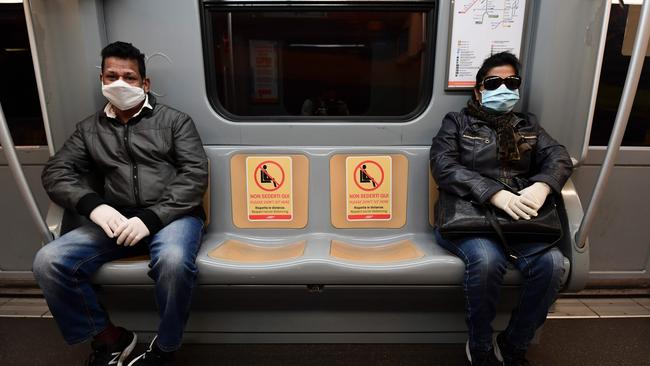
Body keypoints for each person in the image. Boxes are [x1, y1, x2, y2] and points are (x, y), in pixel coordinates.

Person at [33, 41, 208, 366]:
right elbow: (56, 171)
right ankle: (110, 338)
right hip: (116, 219)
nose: (120, 84)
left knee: (172, 262)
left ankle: (166, 348)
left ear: (145, 83)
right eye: (112, 76)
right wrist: (94, 207)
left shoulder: (175, 122)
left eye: (129, 77)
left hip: (172, 217)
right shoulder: (89, 130)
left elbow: (194, 176)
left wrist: (152, 218)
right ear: (101, 80)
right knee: (49, 262)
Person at [429, 52, 573, 366]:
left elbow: (559, 157)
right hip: (471, 219)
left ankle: (513, 345)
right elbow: (443, 165)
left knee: (553, 265)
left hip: (521, 220)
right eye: (494, 82)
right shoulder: (457, 122)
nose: (504, 88)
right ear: (479, 90)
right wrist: (494, 193)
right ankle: (480, 348)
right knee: (486, 261)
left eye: (512, 82)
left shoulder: (528, 125)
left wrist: (543, 185)